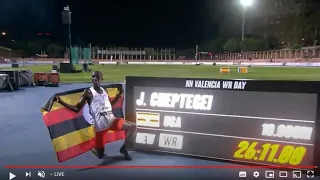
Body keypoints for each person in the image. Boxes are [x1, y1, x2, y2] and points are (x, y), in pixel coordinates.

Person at [55, 71, 137, 160]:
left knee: (133, 127)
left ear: (101, 79)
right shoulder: (88, 92)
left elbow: (109, 104)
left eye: (97, 77)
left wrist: (118, 96)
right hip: (100, 128)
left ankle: (124, 149)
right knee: (100, 155)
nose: (95, 79)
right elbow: (77, 109)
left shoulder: (104, 91)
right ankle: (90, 147)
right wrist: (61, 102)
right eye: (93, 77)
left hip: (112, 121)